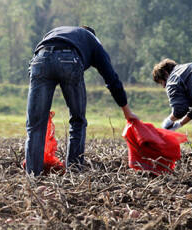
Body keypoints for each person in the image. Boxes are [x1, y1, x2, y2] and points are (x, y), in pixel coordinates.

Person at [25, 25, 139, 175]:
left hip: (39, 60)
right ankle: (73, 174)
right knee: (77, 121)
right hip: (69, 59)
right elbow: (111, 79)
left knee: (35, 124)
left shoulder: (58, 31)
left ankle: (33, 176)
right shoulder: (93, 42)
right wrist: (127, 111)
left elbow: (41, 62)